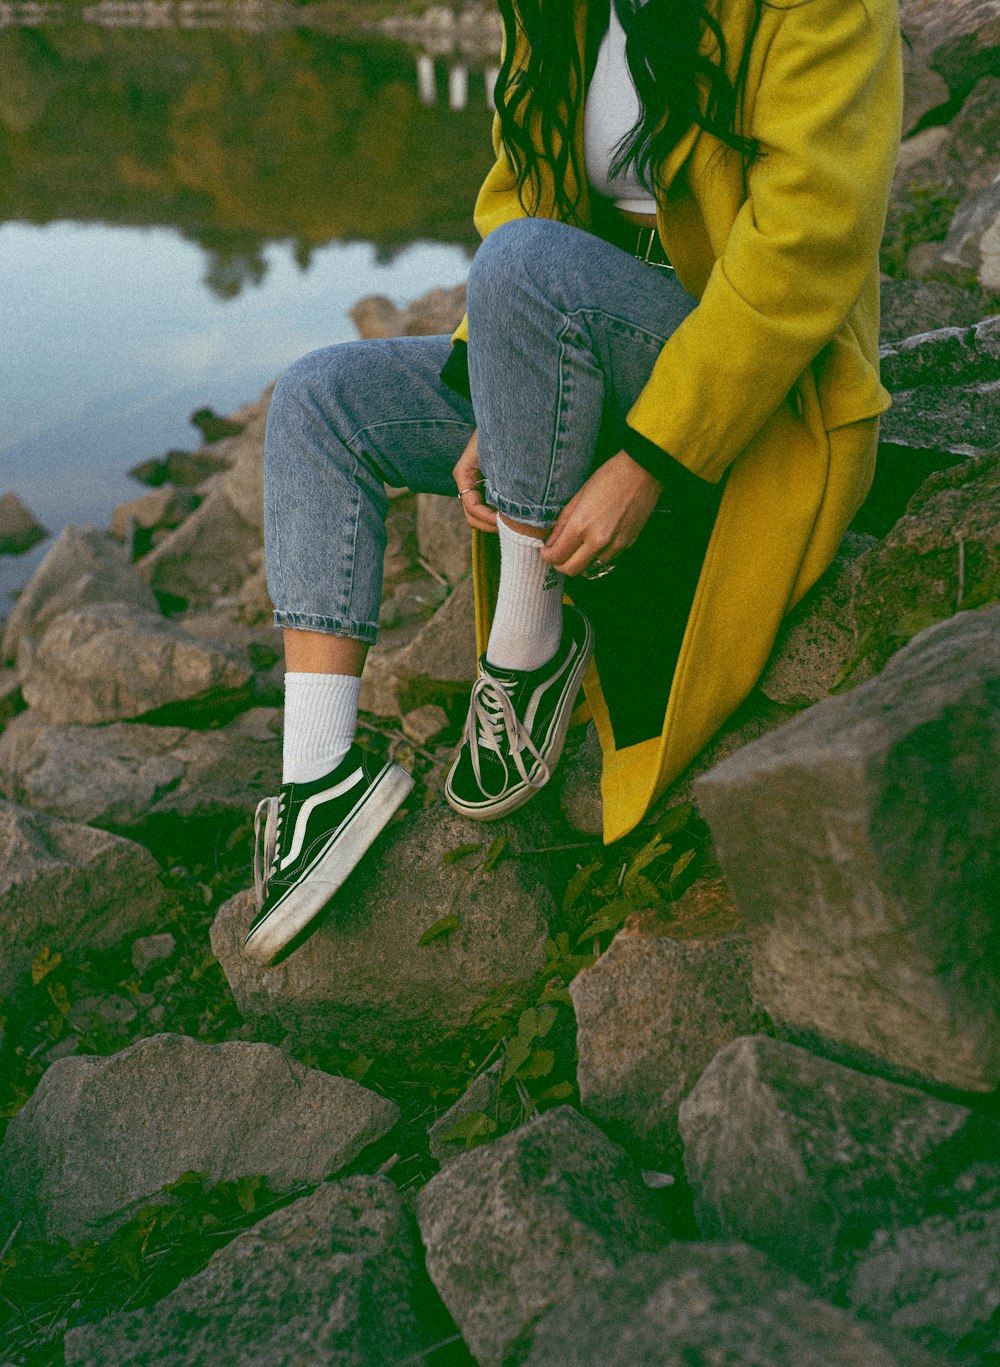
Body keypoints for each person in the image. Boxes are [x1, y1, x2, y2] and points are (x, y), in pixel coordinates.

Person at [245, 0, 903, 966]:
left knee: (525, 263)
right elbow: (518, 190)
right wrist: (492, 386)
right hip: (565, 336)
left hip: (750, 374)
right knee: (318, 400)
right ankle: (320, 784)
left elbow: (812, 236)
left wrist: (650, 459)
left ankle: (528, 645)